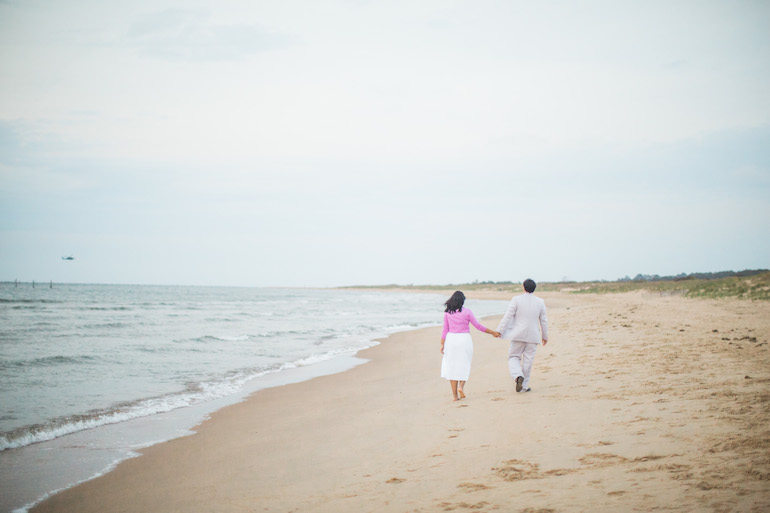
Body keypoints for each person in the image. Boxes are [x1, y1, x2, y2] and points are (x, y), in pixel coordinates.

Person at [441, 291, 500, 401]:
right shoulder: (467, 312)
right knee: (464, 364)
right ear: (462, 301)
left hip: (451, 340)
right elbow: (477, 326)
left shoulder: (447, 313)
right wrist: (492, 332)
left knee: (452, 368)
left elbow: (445, 329)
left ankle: (455, 396)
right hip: (464, 339)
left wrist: (442, 344)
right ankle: (461, 387)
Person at [496, 279, 548, 393]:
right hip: (533, 336)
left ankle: (517, 375)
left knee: (513, 357)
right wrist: (545, 336)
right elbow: (543, 320)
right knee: (528, 361)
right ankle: (524, 386)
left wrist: (500, 330)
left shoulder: (516, 299)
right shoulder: (540, 302)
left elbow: (508, 316)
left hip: (518, 334)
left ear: (523, 287)